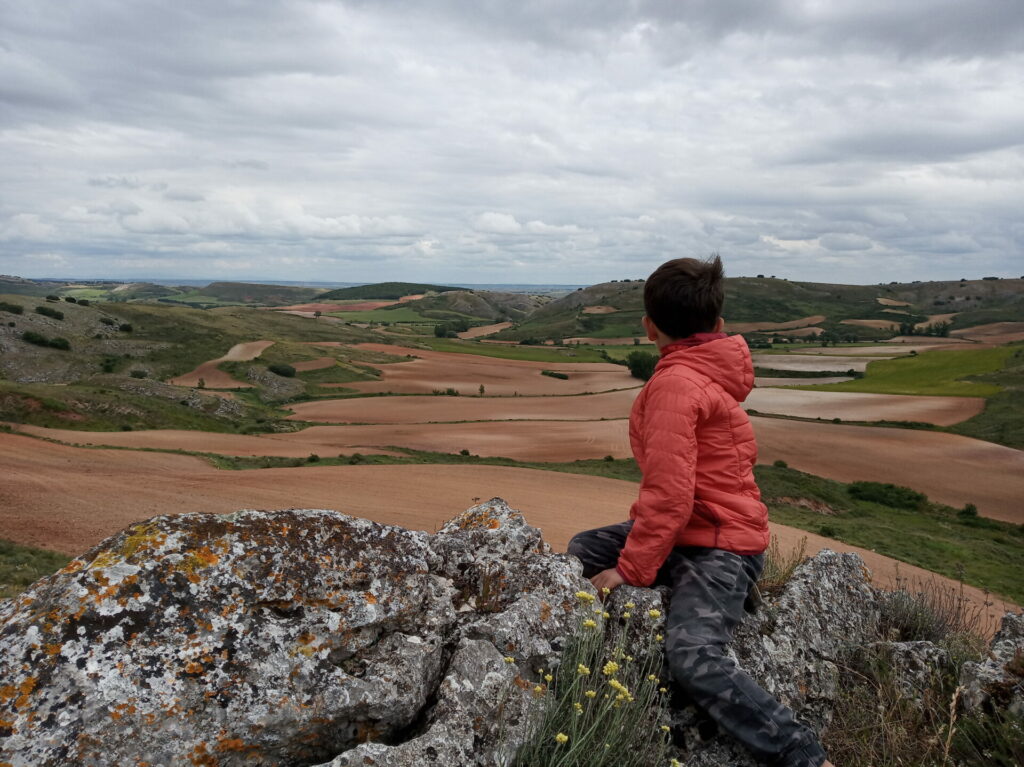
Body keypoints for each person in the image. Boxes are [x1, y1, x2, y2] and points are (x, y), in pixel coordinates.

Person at [567, 256, 834, 767]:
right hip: (693, 531)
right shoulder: (695, 375)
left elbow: (670, 495)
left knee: (694, 657)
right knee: (582, 548)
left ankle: (801, 753)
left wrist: (630, 572)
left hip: (719, 545)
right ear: (719, 326)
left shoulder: (675, 385)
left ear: (649, 328)